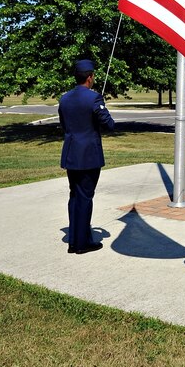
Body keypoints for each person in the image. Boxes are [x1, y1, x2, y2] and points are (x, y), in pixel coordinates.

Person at [59, 59, 115, 254]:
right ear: (90, 77)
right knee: (84, 198)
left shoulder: (64, 98)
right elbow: (109, 124)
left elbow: (64, 125)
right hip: (88, 156)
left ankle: (74, 239)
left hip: (71, 154)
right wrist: (103, 110)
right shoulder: (94, 98)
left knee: (74, 196)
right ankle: (82, 244)